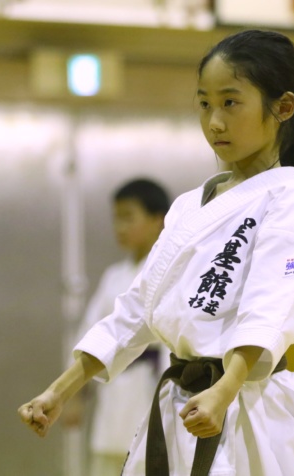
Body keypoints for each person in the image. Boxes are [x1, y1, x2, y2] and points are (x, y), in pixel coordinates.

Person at [19, 29, 294, 475]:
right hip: (178, 403)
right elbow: (136, 308)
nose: (214, 121)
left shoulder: (293, 205)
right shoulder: (188, 206)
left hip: (245, 404)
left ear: (284, 107)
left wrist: (225, 389)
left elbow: (269, 309)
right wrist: (59, 391)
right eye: (204, 104)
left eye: (230, 103)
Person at [76, 178, 170, 474]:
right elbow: (88, 337)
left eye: (129, 217)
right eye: (116, 218)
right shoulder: (113, 276)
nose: (120, 227)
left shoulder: (172, 271)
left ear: (158, 220)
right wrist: (75, 395)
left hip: (155, 390)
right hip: (113, 394)